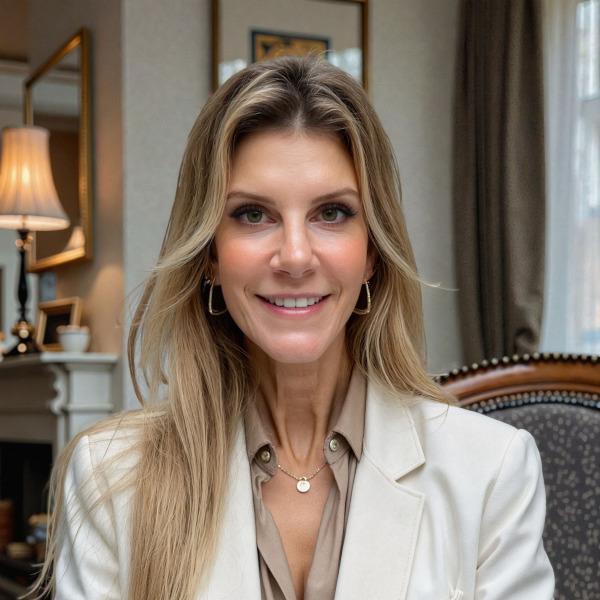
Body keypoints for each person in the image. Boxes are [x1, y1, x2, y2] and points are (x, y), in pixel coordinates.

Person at [31, 56, 554, 600]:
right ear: (210, 255)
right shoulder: (110, 479)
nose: (296, 256)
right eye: (253, 214)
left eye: (332, 213)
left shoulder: (492, 471)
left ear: (372, 252)